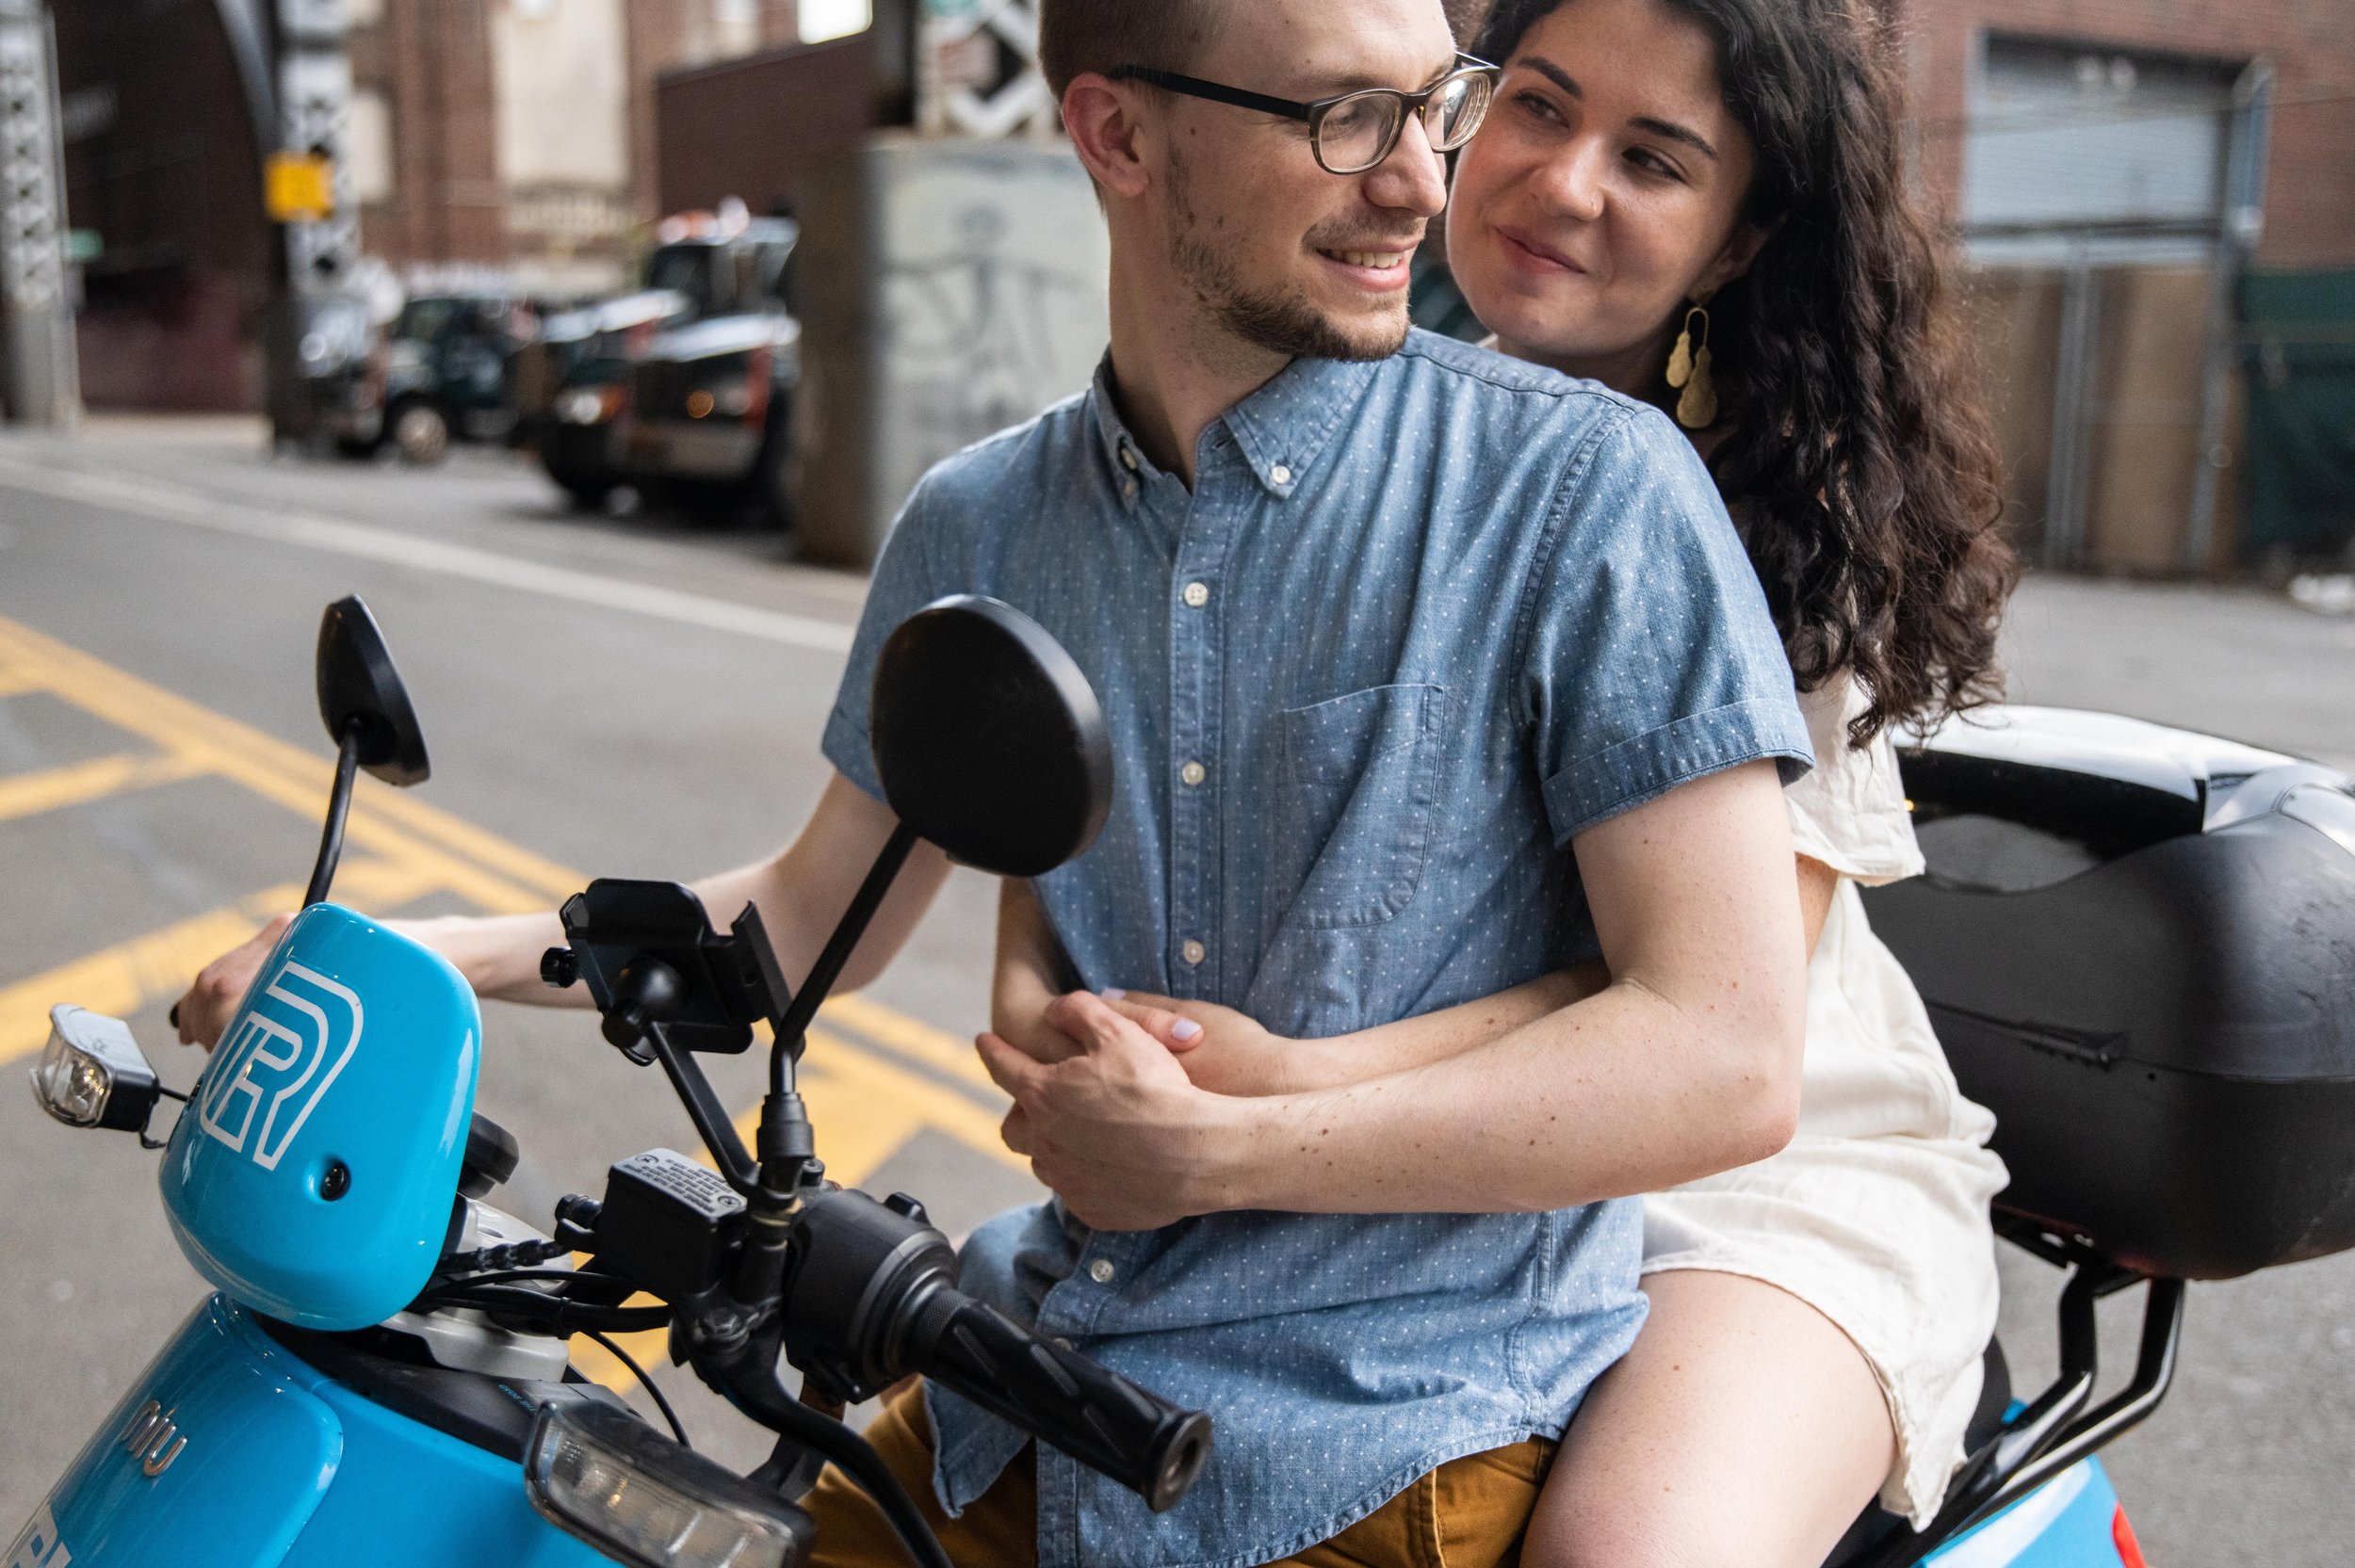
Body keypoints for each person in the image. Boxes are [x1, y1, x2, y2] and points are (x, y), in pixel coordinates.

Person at [183, 0, 1821, 1562]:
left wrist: (1228, 1156)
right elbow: (805, 918)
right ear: (1117, 133)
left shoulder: (1581, 492)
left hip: (1391, 1438)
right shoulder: (981, 525)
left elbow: (1726, 1053)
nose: (1418, 177)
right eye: (1347, 118)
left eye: (1434, 105)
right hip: (1015, 1379)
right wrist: (403, 960)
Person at [1005, 0, 2021, 1562]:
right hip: (1415, 1148)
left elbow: (1696, 1008)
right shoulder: (1343, 399)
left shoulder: (1769, 528)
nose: (1557, 182)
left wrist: (1263, 1087)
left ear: (1737, 243)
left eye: (1655, 159)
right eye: (1535, 107)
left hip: (1745, 1167)